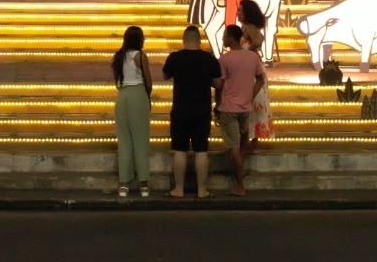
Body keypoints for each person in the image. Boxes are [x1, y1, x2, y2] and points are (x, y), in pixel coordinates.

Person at [163, 25, 221, 198]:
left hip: (180, 109)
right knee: (201, 149)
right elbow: (218, 84)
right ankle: (202, 190)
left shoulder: (175, 58)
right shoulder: (209, 59)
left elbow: (166, 75)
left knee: (180, 150)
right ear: (199, 41)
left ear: (183, 40)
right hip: (202, 109)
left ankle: (178, 189)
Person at [216, 24, 265, 197]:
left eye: (224, 36)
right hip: (245, 107)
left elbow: (220, 85)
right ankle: (239, 171)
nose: (222, 39)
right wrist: (250, 95)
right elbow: (261, 78)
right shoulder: (252, 57)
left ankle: (239, 184)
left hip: (229, 107)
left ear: (231, 38)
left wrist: (217, 104)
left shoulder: (225, 59)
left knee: (233, 147)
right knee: (241, 142)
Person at [111, 25, 153, 198]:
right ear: (139, 39)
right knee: (141, 139)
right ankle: (143, 183)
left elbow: (117, 80)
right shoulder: (141, 56)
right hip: (137, 94)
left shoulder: (119, 57)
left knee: (124, 140)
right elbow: (148, 82)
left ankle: (124, 184)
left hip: (122, 96)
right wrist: (147, 97)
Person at [238, 0, 274, 152]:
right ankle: (251, 142)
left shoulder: (249, 27)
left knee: (251, 103)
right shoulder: (246, 27)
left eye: (240, 10)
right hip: (253, 68)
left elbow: (258, 41)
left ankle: (249, 143)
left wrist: (247, 52)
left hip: (252, 71)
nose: (238, 12)